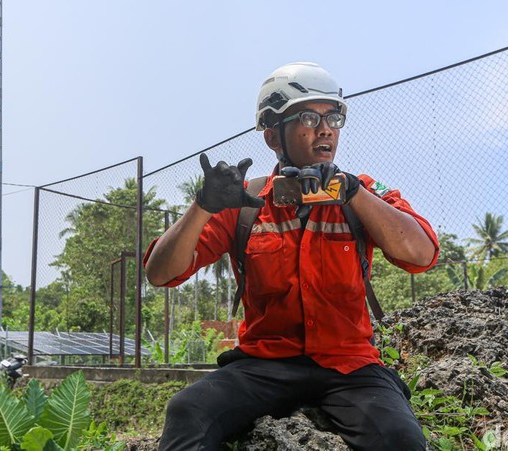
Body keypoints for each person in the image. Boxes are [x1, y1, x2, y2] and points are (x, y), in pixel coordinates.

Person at [144, 61, 439, 451]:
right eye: (308, 118)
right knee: (187, 411)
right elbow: (161, 273)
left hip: (349, 366)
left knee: (400, 439)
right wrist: (203, 206)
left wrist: (352, 193)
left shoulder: (362, 193)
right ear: (272, 135)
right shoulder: (244, 202)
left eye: (333, 118)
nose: (325, 129)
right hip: (264, 364)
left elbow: (422, 254)